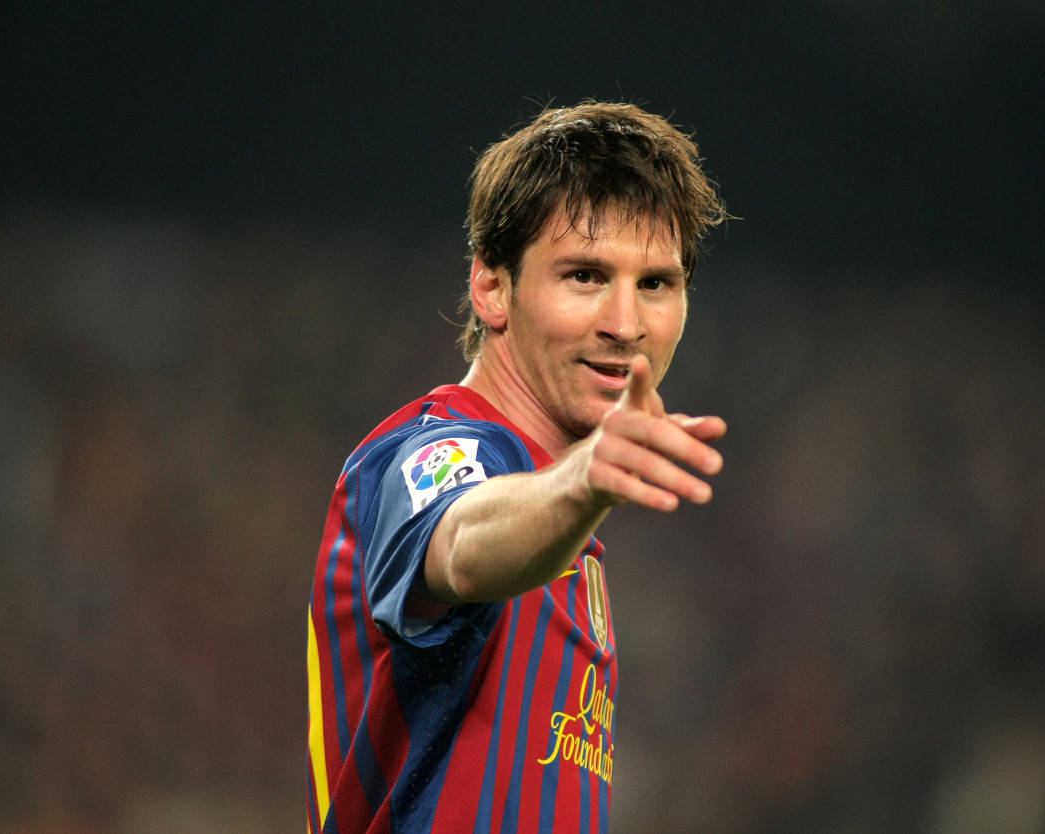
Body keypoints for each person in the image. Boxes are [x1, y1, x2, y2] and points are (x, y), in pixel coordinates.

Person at [305, 100, 730, 833]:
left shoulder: (566, 527)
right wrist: (582, 481)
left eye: (655, 284)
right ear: (492, 287)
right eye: (585, 275)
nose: (626, 325)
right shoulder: (428, 452)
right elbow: (462, 546)